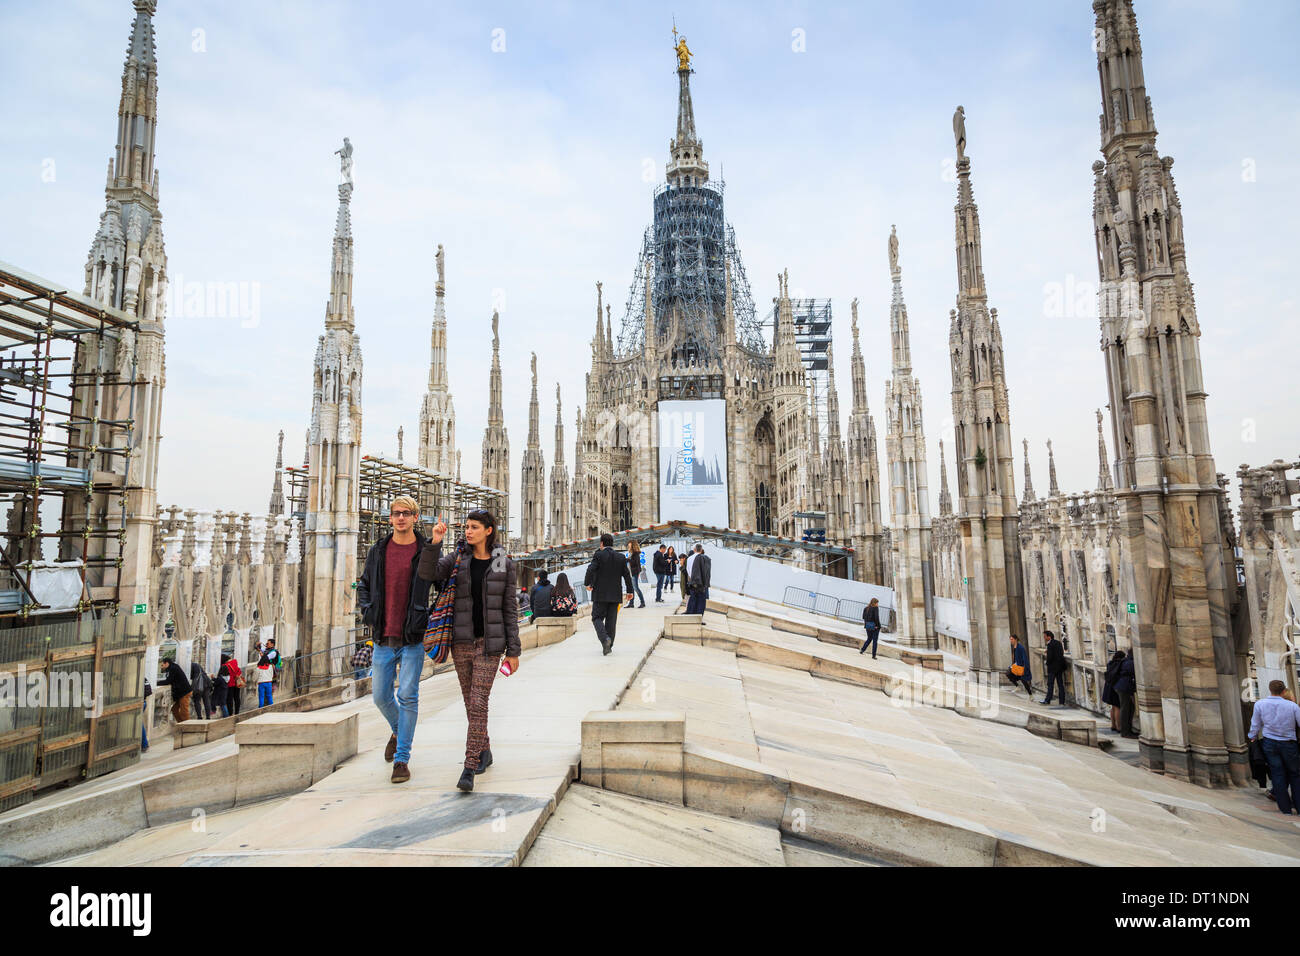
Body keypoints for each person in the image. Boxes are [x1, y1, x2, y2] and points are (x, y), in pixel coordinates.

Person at [419, 508, 521, 793]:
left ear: (489, 530)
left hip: (490, 645)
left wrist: (514, 650)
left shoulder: (501, 561)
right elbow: (427, 573)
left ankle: (469, 765)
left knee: (478, 702)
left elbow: (509, 608)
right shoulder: (458, 559)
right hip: (461, 642)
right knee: (470, 704)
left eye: (474, 527)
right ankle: (485, 750)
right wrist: (435, 543)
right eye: (466, 526)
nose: (468, 531)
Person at [356, 495, 433, 784]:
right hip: (383, 636)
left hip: (412, 637)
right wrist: (368, 610)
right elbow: (364, 585)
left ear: (415, 517)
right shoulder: (378, 550)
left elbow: (440, 582)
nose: (400, 517)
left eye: (406, 513)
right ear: (390, 518)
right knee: (380, 696)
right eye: (396, 513)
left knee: (408, 696)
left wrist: (427, 617)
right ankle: (398, 731)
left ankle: (402, 759)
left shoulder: (425, 550)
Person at [1249, 680, 1300, 815]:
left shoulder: (1260, 704)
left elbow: (1255, 723)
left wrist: (1252, 736)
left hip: (1270, 743)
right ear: (1284, 691)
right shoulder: (1292, 706)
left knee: (1277, 774)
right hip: (1289, 743)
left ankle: (1285, 809)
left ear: (1270, 690)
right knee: (1295, 774)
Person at [585, 533, 634, 656]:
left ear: (601, 543)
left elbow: (591, 569)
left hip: (600, 594)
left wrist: (588, 583)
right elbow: (627, 575)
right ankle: (609, 645)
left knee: (596, 618)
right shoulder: (620, 557)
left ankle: (605, 639)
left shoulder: (598, 555)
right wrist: (630, 591)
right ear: (612, 544)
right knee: (611, 621)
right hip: (615, 594)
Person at [159, 657, 192, 723]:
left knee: (184, 712)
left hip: (184, 692)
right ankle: (181, 724)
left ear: (167, 663)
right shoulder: (172, 667)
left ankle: (188, 727)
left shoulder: (173, 668)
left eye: (162, 665)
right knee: (174, 709)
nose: (162, 667)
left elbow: (168, 681)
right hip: (181, 693)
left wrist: (156, 683)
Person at [1101, 650, 1125, 731]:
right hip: (1115, 687)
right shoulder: (1120, 664)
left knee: (1113, 707)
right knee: (1117, 706)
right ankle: (1119, 727)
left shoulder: (1110, 663)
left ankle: (1113, 725)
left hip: (1108, 687)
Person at [1115, 651, 1138, 737]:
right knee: (1125, 709)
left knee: (1130, 708)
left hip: (1123, 687)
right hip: (1123, 688)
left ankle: (1128, 729)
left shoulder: (1126, 661)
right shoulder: (1130, 663)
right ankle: (1125, 731)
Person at [1041, 630, 1067, 706]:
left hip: (1052, 668)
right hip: (1060, 667)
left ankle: (1047, 700)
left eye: (1045, 636)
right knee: (1060, 684)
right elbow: (1061, 653)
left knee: (1050, 684)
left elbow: (1050, 657)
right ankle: (1062, 701)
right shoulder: (1058, 642)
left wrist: (1047, 662)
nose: (1044, 637)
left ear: (1049, 637)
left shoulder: (1050, 645)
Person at [685, 543, 712, 615]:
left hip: (692, 581)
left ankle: (691, 613)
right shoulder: (705, 558)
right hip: (701, 582)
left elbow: (688, 570)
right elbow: (706, 572)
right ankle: (699, 616)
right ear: (701, 550)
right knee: (701, 601)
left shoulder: (689, 558)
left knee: (693, 598)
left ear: (694, 550)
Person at [625, 541, 646, 609]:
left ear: (633, 546)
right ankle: (631, 603)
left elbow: (635, 563)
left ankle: (642, 602)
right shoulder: (631, 553)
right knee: (632, 588)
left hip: (634, 573)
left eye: (629, 545)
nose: (628, 546)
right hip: (631, 573)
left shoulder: (636, 554)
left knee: (636, 588)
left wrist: (627, 560)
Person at [255, 643, 276, 708]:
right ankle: (271, 707)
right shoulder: (270, 666)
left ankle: (260, 708)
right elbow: (272, 675)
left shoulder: (258, 667)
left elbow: (255, 677)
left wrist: (255, 681)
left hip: (261, 683)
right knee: (269, 696)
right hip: (269, 682)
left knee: (261, 697)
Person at [141, 678, 152, 752]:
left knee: (138, 724)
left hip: (141, 703)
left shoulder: (142, 678)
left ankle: (145, 744)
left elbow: (149, 691)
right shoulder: (143, 678)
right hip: (143, 702)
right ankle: (144, 745)